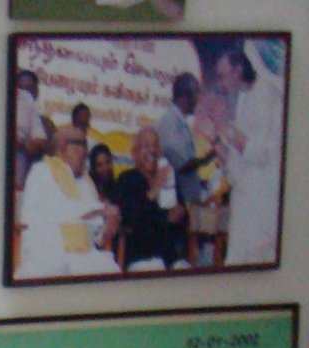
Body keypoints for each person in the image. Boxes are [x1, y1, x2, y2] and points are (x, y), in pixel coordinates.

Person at [16, 124, 121, 278]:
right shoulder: (42, 171)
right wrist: (102, 209)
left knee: (111, 271)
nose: (84, 152)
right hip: (47, 253)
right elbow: (63, 211)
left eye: (84, 146)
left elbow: (95, 233)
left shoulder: (85, 182)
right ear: (62, 147)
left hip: (84, 256)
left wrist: (108, 227)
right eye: (79, 145)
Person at [212, 44, 284, 267]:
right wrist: (222, 151)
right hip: (243, 203)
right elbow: (239, 160)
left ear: (238, 71)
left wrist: (228, 130)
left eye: (222, 76)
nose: (220, 84)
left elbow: (261, 154)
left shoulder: (268, 95)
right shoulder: (243, 97)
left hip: (261, 204)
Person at [112, 126, 188, 270]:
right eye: (146, 146)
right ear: (134, 154)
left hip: (170, 256)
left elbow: (183, 220)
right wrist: (154, 190)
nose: (152, 151)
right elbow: (130, 219)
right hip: (141, 256)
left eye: (156, 146)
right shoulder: (126, 180)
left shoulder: (169, 178)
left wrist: (179, 214)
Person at [156, 72, 214, 208]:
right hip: (178, 203)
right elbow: (181, 165)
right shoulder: (170, 122)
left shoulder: (180, 122)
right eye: (196, 95)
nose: (198, 101)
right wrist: (208, 158)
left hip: (188, 199)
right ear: (183, 98)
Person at [13, 68, 48, 188]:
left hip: (20, 158)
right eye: (21, 87)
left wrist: (22, 143)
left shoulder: (27, 100)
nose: (24, 91)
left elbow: (41, 141)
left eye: (29, 88)